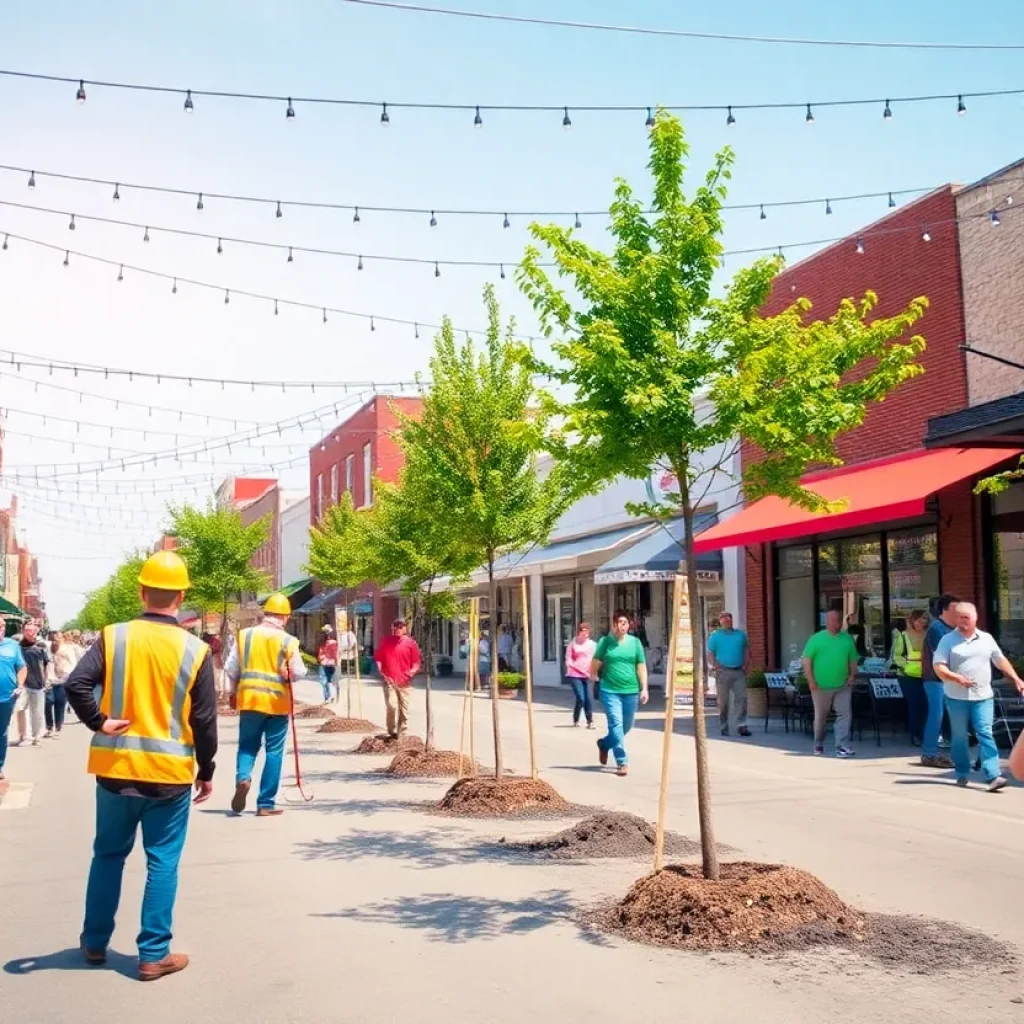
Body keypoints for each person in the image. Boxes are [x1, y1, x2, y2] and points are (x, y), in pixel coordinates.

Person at [63, 550, 217, 981]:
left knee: (108, 855)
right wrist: (208, 770)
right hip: (168, 779)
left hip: (116, 771)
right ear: (182, 594)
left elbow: (76, 683)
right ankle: (152, 954)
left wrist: (99, 721)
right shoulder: (196, 649)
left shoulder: (115, 637)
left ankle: (94, 943)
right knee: (162, 861)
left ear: (142, 590)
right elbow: (203, 720)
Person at [225, 592, 306, 817]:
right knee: (274, 752)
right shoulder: (288, 641)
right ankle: (265, 803)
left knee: (247, 746)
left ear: (266, 613)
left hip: (250, 701)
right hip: (277, 704)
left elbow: (231, 668)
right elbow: (299, 672)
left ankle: (243, 778)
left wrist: (232, 693)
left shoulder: (245, 636)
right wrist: (287, 672)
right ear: (285, 617)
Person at [932, 601, 1024, 792]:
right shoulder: (948, 640)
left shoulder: (986, 638)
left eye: (966, 617)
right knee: (959, 737)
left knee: (985, 732)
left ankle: (993, 775)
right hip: (956, 697)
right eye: (958, 617)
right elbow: (938, 666)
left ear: (975, 618)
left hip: (983, 695)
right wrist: (956, 678)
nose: (961, 621)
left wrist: (1015, 678)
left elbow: (999, 659)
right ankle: (962, 771)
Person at [590, 610, 649, 777]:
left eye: (625, 623)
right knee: (616, 725)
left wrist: (644, 688)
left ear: (629, 625)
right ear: (613, 625)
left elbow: (641, 665)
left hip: (631, 690)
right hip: (610, 690)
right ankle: (622, 762)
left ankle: (604, 744)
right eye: (618, 623)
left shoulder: (635, 643)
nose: (621, 626)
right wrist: (594, 675)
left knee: (626, 726)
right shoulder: (605, 642)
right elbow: (595, 661)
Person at [802, 609, 858, 758]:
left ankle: (842, 745)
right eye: (833, 621)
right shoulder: (816, 639)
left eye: (839, 621)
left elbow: (853, 659)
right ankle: (818, 742)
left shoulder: (847, 639)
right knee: (821, 716)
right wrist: (811, 681)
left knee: (845, 714)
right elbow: (807, 660)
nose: (837, 624)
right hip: (821, 685)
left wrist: (852, 674)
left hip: (842, 685)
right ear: (826, 622)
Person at [920, 594, 959, 769]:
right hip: (935, 679)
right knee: (936, 715)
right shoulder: (937, 628)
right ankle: (929, 754)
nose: (958, 613)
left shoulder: (952, 629)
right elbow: (943, 655)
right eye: (954, 609)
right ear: (944, 610)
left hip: (948, 679)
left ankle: (946, 752)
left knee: (950, 716)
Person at [374, 619, 422, 737]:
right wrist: (380, 669)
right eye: (395, 627)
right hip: (389, 680)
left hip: (404, 682)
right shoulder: (386, 642)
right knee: (392, 705)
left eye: (400, 627)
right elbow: (379, 658)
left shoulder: (410, 643)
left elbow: (416, 663)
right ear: (392, 629)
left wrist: (411, 673)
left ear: (405, 629)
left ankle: (402, 733)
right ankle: (391, 730)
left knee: (404, 709)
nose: (397, 629)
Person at [707, 611, 751, 738]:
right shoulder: (715, 636)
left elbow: (747, 650)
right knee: (723, 702)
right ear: (720, 622)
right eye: (723, 619)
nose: (726, 621)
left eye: (728, 618)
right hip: (723, 672)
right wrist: (715, 665)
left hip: (739, 672)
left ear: (732, 620)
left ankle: (741, 725)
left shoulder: (740, 635)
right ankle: (723, 726)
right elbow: (710, 653)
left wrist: (746, 665)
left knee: (742, 699)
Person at [892, 609, 928, 746]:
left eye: (924, 619)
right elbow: (897, 656)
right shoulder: (903, 636)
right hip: (908, 676)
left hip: (926, 675)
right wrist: (905, 666)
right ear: (912, 621)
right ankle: (916, 735)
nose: (922, 622)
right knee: (915, 705)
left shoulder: (928, 635)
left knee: (926, 705)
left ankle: (925, 734)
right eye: (919, 619)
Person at [0, 617, 27, 781]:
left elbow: (22, 667)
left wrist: (20, 685)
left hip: (6, 697)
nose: (1, 629)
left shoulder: (12, 645)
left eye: (2, 626)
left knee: (2, 732)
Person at [19, 620, 51, 746]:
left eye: (31, 631)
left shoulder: (41, 646)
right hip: (22, 683)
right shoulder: (19, 646)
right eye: (26, 630)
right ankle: (23, 735)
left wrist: (47, 680)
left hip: (38, 683)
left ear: (36, 632)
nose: (28, 633)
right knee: (20, 708)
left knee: (37, 711)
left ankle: (36, 736)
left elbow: (47, 663)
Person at [45, 631, 78, 737]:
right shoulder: (46, 648)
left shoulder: (67, 649)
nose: (54, 641)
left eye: (57, 639)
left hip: (63, 679)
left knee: (60, 702)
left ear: (61, 639)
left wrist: (67, 674)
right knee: (48, 702)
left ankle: (58, 725)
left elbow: (73, 662)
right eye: (53, 639)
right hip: (49, 679)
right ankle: (49, 725)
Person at [564, 622, 597, 728]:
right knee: (581, 697)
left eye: (587, 633)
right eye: (583, 632)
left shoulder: (592, 645)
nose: (585, 635)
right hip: (575, 673)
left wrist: (595, 672)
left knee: (587, 698)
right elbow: (568, 658)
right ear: (578, 633)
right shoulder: (573, 644)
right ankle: (577, 717)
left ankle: (589, 721)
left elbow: (597, 658)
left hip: (587, 674)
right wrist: (570, 665)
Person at [317, 624, 339, 703]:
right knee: (328, 680)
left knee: (325, 680)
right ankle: (330, 696)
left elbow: (335, 653)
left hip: (326, 663)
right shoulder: (331, 642)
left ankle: (329, 696)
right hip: (329, 663)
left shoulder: (329, 642)